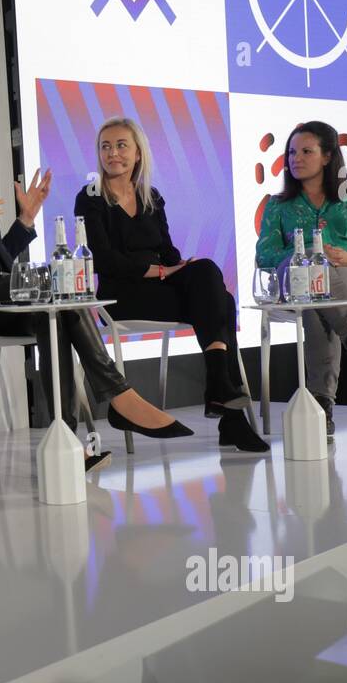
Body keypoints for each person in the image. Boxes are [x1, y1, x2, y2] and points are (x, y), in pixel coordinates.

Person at [0, 95, 192, 474]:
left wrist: (25, 221)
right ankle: (118, 394)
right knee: (52, 291)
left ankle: (69, 446)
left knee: (55, 314)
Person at [74, 117, 269, 453]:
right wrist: (162, 272)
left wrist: (179, 266)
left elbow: (168, 251)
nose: (112, 153)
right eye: (105, 146)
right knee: (219, 302)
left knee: (208, 276)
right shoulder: (90, 197)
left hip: (158, 287)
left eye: (121, 145)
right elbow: (104, 261)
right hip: (121, 296)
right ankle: (226, 406)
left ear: (137, 153)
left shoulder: (151, 196)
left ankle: (222, 393)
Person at [254, 120, 347, 436]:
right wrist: (303, 258)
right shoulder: (278, 205)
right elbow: (266, 254)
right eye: (291, 152)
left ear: (328, 156)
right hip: (296, 283)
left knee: (316, 298)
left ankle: (322, 404)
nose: (295, 158)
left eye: (306, 151)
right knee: (309, 277)